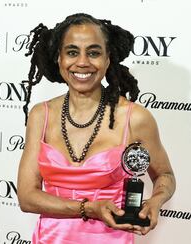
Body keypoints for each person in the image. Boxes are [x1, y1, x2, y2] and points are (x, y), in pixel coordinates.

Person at [17, 13, 176, 244]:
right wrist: (90, 208)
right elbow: (27, 197)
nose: (82, 62)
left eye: (93, 52)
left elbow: (165, 174)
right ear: (59, 59)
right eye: (72, 52)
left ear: (108, 59)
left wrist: (156, 201)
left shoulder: (135, 117)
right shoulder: (41, 115)